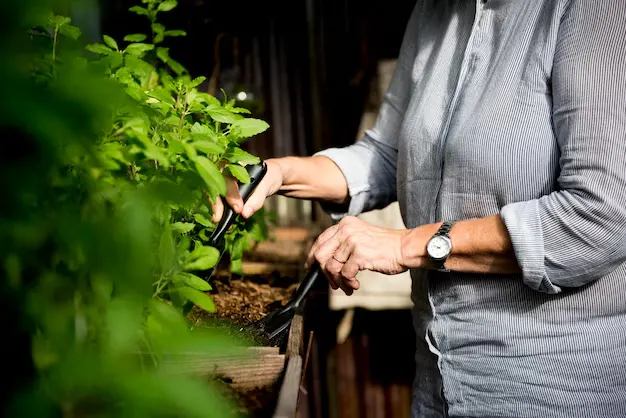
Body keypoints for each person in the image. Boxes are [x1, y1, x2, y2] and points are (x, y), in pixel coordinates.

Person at [212, 1, 626, 417]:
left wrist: (407, 245)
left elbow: (603, 215)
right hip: (437, 379)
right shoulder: (433, 13)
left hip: (555, 390)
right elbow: (387, 155)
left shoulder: (589, 10)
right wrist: (282, 173)